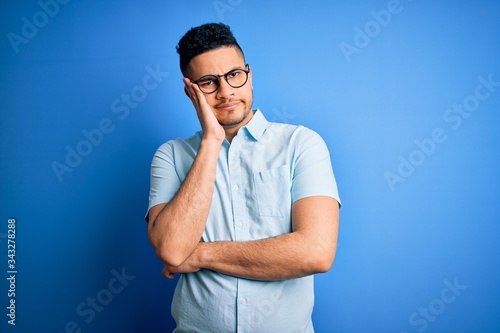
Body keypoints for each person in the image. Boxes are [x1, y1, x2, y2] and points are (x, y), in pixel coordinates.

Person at [146, 22, 341, 333]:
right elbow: (170, 250)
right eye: (208, 82)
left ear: (249, 74)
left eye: (234, 75)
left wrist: (199, 254)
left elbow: (316, 252)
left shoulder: (302, 144)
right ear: (190, 90)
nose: (226, 92)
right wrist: (212, 141)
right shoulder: (170, 155)